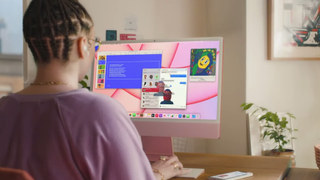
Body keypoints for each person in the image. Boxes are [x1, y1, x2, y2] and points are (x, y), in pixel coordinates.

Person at [0, 0, 190, 180]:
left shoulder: (4, 108)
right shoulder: (100, 112)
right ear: (82, 45)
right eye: (95, 42)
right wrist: (157, 173)